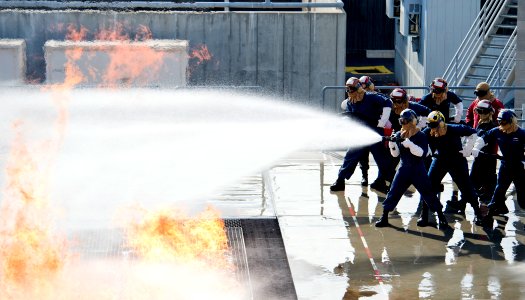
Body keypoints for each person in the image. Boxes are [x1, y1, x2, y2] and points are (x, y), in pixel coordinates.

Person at [375, 109, 447, 228]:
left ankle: (441, 216)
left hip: (418, 170)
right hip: (403, 170)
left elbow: (422, 153)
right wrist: (392, 145)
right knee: (393, 192)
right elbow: (395, 155)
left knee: (428, 193)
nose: (403, 123)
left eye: (405, 120)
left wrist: (409, 144)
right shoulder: (399, 134)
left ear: (412, 121)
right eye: (401, 120)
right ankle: (384, 217)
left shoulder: (421, 135)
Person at [330, 77, 395, 192]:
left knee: (382, 158)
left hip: (375, 131)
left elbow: (388, 102)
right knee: (350, 157)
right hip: (360, 134)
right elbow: (352, 117)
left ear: (359, 89)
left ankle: (382, 181)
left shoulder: (371, 97)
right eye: (348, 90)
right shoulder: (350, 102)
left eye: (352, 90)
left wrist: (383, 121)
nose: (350, 93)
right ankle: (340, 180)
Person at [421, 111, 484, 225]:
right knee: (428, 186)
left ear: (441, 123)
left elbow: (473, 132)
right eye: (431, 126)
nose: (433, 129)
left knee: (467, 187)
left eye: (435, 126)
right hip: (440, 160)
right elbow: (419, 139)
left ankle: (478, 214)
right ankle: (424, 214)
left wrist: (468, 148)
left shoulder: (454, 128)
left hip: (457, 161)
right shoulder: (428, 131)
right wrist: (428, 150)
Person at [472, 109, 525, 224]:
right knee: (498, 192)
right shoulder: (497, 131)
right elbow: (483, 138)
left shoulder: (521, 133)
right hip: (505, 166)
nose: (501, 125)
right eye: (499, 122)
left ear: (512, 121)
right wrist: (476, 148)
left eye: (504, 122)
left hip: (519, 168)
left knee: (522, 199)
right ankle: (488, 216)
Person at [356, 75, 391, 187]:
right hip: (362, 129)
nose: (363, 88)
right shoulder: (357, 97)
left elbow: (388, 103)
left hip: (377, 128)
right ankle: (364, 176)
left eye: (365, 86)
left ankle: (381, 178)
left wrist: (382, 122)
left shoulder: (377, 95)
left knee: (381, 155)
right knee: (362, 154)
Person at [469, 100, 498, 204]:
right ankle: (473, 207)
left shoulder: (493, 127)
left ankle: (487, 211)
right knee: (472, 182)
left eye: (483, 112)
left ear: (489, 113)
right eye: (479, 112)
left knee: (488, 188)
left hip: (488, 159)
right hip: (479, 158)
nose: (481, 114)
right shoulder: (480, 124)